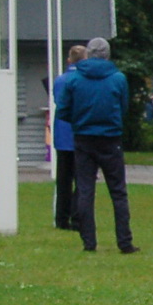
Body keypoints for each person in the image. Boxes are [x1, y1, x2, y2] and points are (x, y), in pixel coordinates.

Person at [56, 37, 138, 254]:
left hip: (83, 138)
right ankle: (124, 241)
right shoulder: (118, 79)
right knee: (118, 191)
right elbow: (123, 107)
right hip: (110, 138)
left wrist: (79, 120)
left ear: (89, 54)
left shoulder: (74, 79)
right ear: (108, 55)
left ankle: (89, 242)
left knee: (85, 190)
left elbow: (62, 109)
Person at [51, 45, 85, 229]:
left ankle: (61, 218)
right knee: (81, 179)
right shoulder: (82, 80)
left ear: (69, 60)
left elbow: (59, 101)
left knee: (63, 179)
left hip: (62, 134)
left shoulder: (60, 80)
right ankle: (77, 216)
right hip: (79, 134)